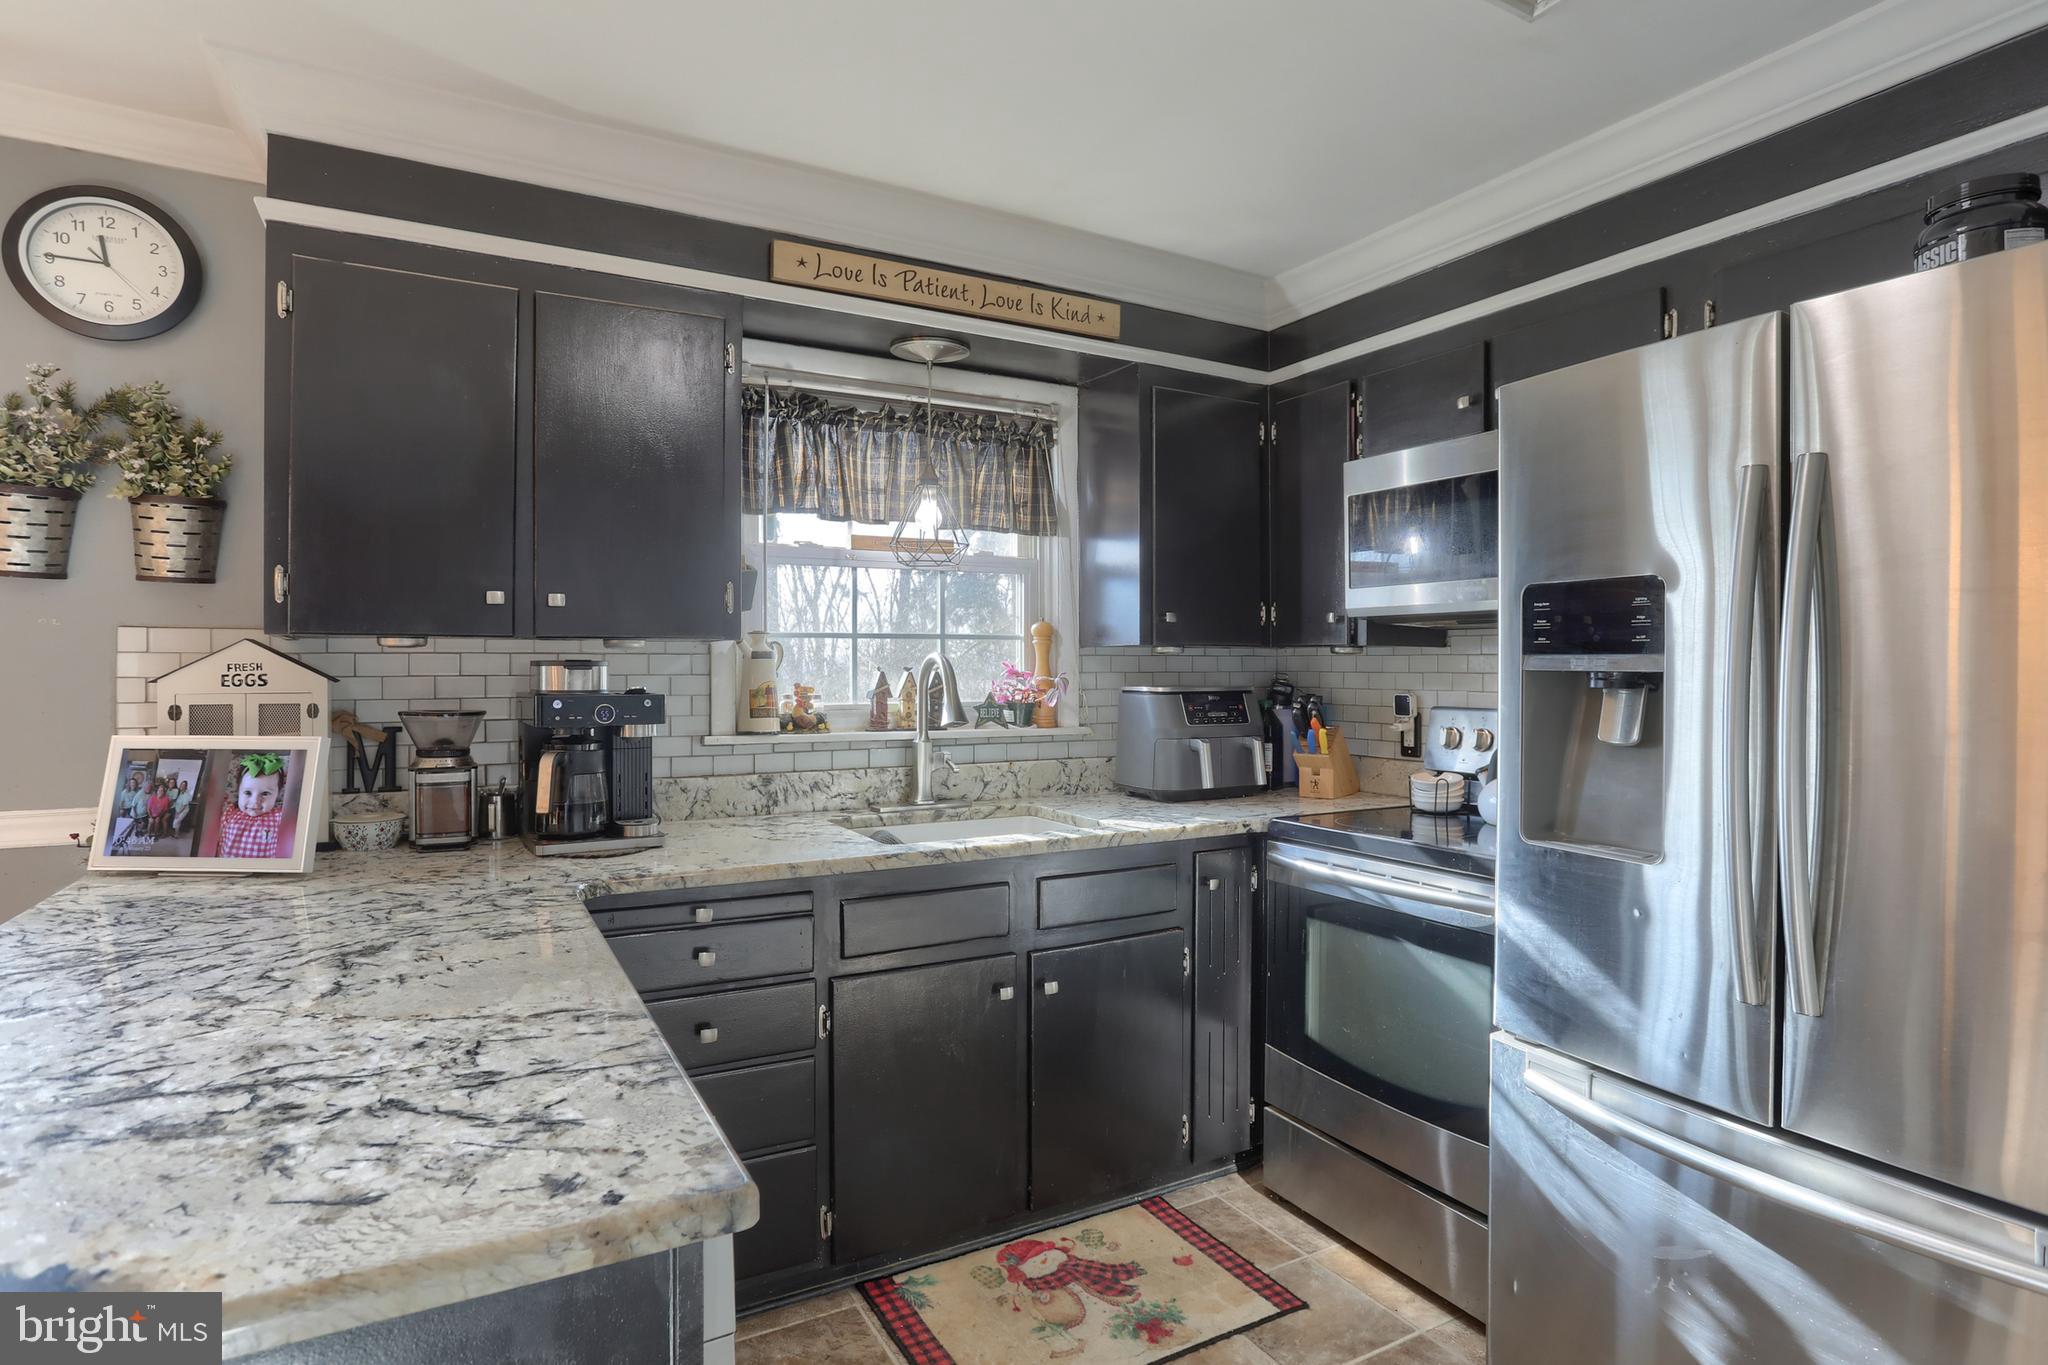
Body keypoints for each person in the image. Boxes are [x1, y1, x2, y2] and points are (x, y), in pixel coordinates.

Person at [216, 753, 289, 859]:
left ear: (278, 794)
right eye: (248, 793)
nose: (255, 802)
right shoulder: (230, 813)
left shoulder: (280, 817)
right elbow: (217, 840)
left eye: (265, 794)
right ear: (238, 791)